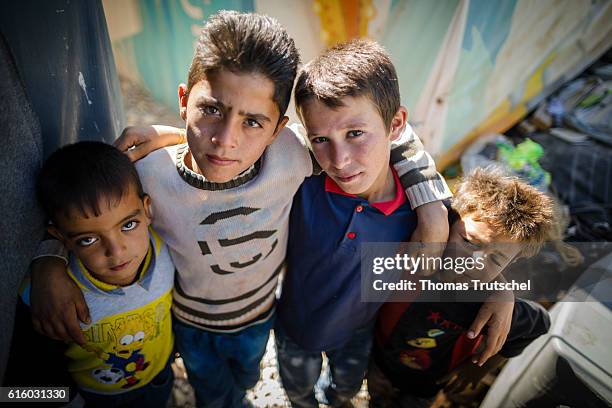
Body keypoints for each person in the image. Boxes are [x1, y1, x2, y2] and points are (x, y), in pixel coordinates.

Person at [29, 11, 454, 408]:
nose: (225, 140)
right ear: (184, 100)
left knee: (249, 380)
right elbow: (83, 215)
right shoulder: (146, 176)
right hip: (189, 324)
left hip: (260, 318)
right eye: (211, 110)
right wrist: (48, 263)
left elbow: (384, 132)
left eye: (252, 122)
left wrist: (434, 211)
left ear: (277, 130)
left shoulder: (296, 158)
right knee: (212, 393)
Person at [273, 39, 518, 407]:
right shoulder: (302, 181)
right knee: (298, 392)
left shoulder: (421, 216)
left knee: (343, 390)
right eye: (321, 139)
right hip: (294, 327)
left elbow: (474, 250)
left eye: (355, 134)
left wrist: (503, 289)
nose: (339, 160)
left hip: (359, 333)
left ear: (396, 124)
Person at [368, 167, 556, 407]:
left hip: (426, 386)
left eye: (497, 259)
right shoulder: (411, 256)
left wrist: (480, 367)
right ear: (448, 221)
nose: (475, 262)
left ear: (510, 264)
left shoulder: (488, 305)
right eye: (468, 241)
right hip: (375, 359)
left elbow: (540, 323)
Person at [20, 141, 174, 407]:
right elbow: (28, 371)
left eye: (128, 225)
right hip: (93, 398)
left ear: (147, 209)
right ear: (61, 238)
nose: (116, 251)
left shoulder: (169, 248)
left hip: (158, 378)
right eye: (89, 240)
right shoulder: (50, 297)